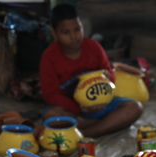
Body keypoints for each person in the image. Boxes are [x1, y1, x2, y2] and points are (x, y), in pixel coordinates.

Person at [39, 4, 142, 138]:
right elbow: (50, 95)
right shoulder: (49, 57)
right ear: (54, 33)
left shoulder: (94, 47)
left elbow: (110, 76)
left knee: (135, 107)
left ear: (82, 26)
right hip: (72, 110)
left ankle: (85, 133)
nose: (73, 36)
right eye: (66, 32)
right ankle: (107, 124)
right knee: (51, 116)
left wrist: (103, 99)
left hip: (101, 106)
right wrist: (79, 108)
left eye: (77, 29)